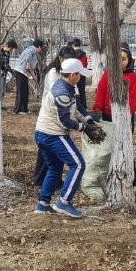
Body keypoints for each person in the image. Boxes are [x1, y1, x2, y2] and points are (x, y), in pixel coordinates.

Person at [33, 58, 97, 218]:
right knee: (78, 164)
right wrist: (83, 128)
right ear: (73, 75)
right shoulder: (62, 92)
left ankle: (43, 204)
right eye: (79, 74)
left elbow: (76, 107)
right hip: (52, 134)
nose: (81, 77)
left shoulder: (67, 86)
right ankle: (64, 202)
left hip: (43, 133)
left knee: (55, 168)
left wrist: (87, 119)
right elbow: (65, 121)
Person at [33, 46, 78, 188]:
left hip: (59, 111)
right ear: (60, 59)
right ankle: (40, 179)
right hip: (50, 112)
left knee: (53, 154)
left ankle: (53, 180)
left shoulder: (68, 73)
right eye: (66, 60)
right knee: (47, 150)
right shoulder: (54, 73)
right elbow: (60, 92)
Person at [93, 44, 136, 130]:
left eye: (123, 59)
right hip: (107, 114)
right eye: (117, 59)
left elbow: (133, 98)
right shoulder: (107, 74)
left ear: (129, 60)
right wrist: (97, 109)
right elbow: (101, 92)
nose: (120, 62)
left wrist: (126, 112)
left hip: (125, 116)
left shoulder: (133, 78)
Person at [12, 39, 44, 114]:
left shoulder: (31, 50)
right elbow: (28, 66)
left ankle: (24, 109)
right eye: (41, 48)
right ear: (39, 46)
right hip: (20, 72)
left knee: (25, 91)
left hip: (23, 73)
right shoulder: (31, 51)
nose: (41, 50)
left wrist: (33, 76)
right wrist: (33, 76)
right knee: (21, 91)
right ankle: (18, 110)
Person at [68, 39, 89, 107]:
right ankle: (84, 106)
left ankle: (76, 106)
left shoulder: (72, 55)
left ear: (73, 45)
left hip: (73, 75)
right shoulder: (84, 55)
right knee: (82, 91)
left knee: (73, 91)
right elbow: (85, 65)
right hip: (82, 74)